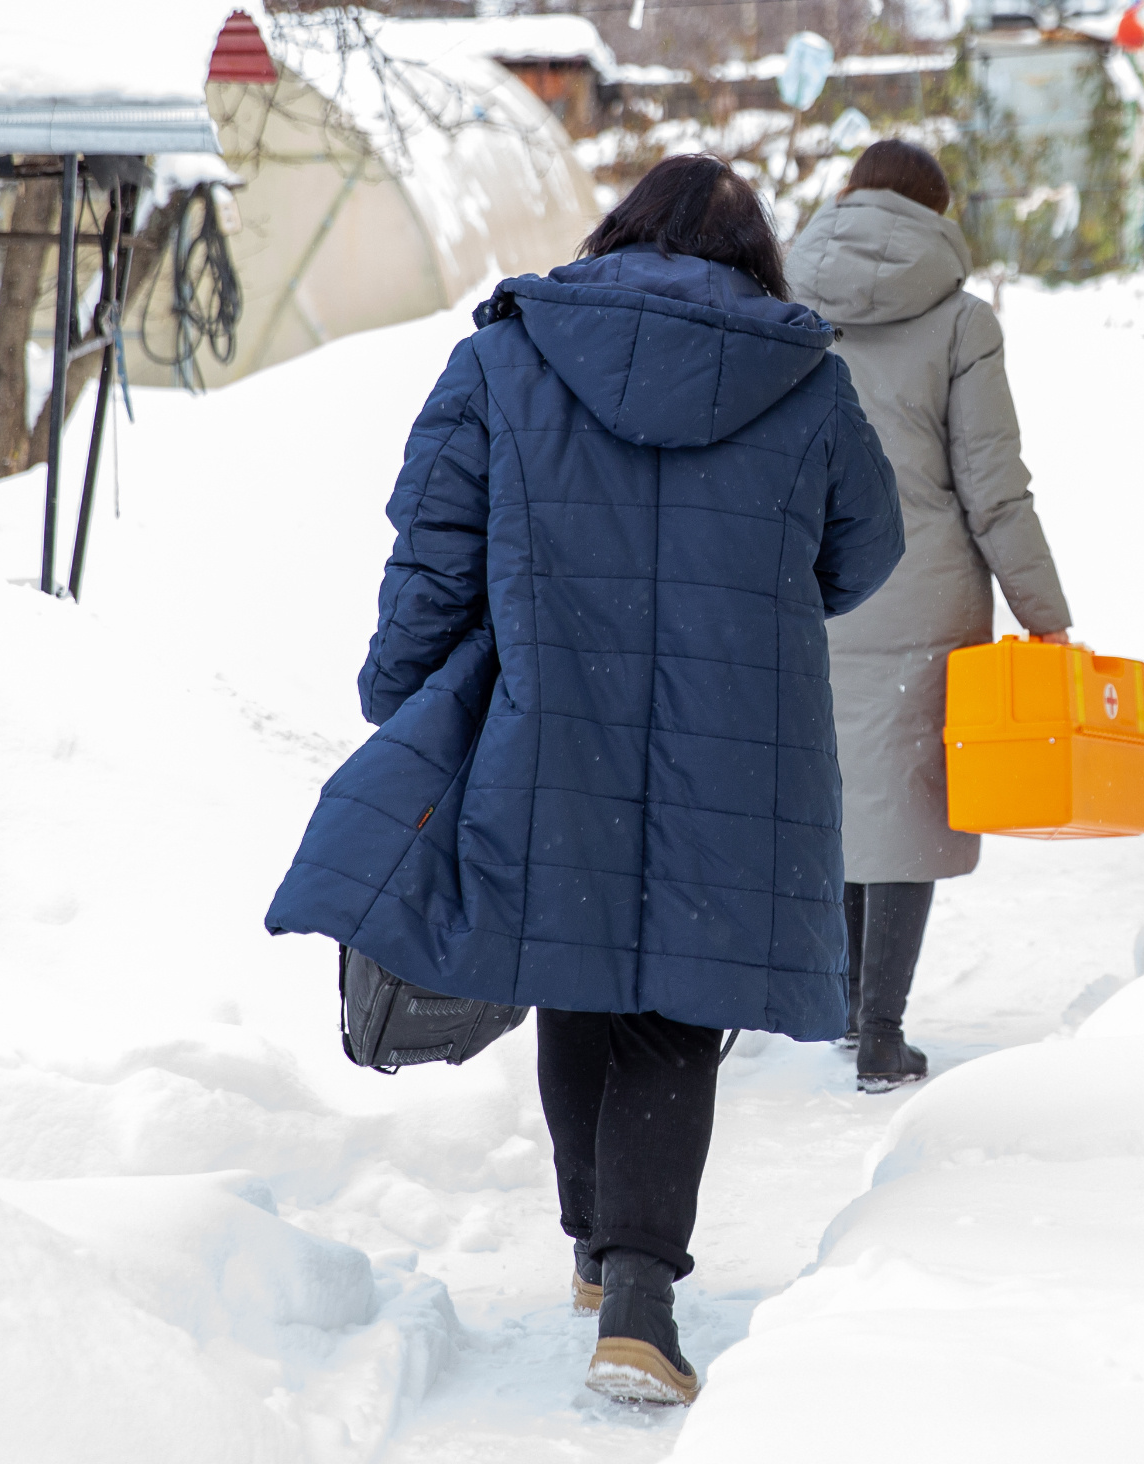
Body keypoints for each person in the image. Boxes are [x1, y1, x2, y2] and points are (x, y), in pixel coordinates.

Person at [265, 155, 903, 1408]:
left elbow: (433, 548)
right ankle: (641, 1300)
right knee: (679, 997)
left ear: (613, 236)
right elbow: (865, 549)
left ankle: (590, 1241)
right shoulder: (807, 382)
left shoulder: (508, 355)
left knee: (579, 960)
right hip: (738, 724)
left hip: (551, 718)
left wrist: (403, 697)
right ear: (754, 258)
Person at [785, 140, 1071, 1092]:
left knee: (840, 793)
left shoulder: (786, 305)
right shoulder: (960, 320)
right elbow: (994, 489)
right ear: (936, 211)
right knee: (902, 802)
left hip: (810, 588)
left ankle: (836, 1002)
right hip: (922, 594)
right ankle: (880, 1033)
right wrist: (1045, 612)